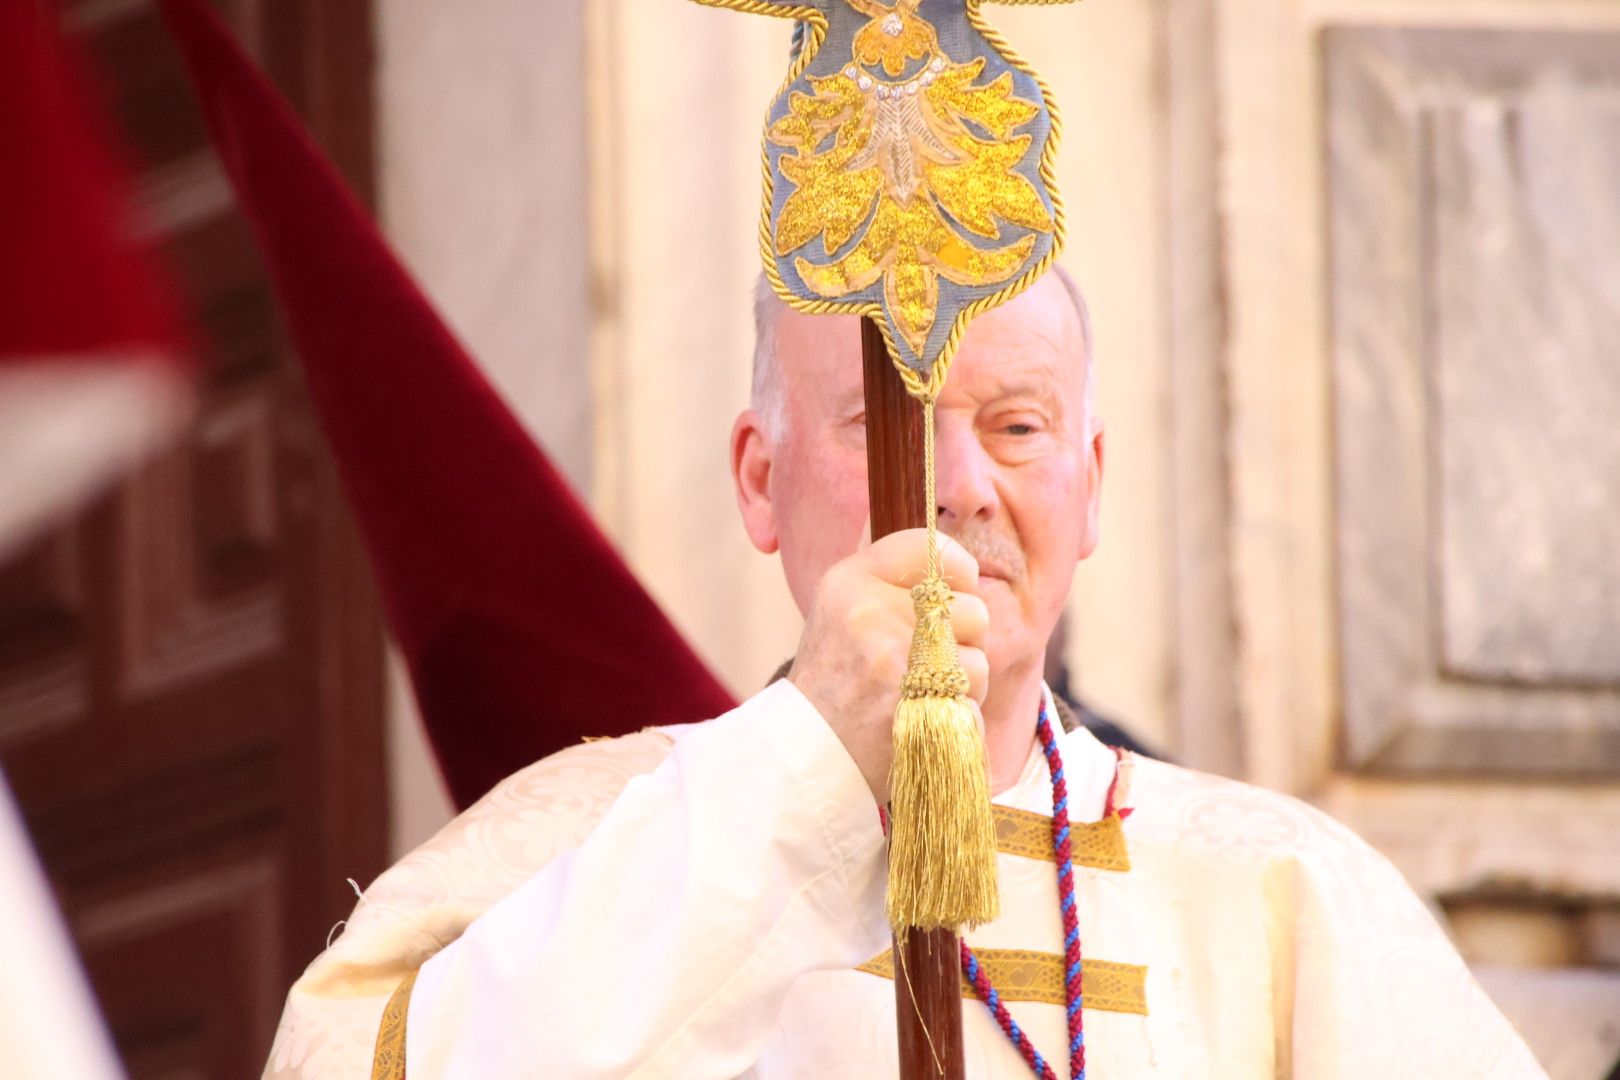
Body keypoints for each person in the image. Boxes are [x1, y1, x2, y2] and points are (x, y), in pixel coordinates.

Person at [263, 269, 1542, 1078]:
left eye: (1019, 427)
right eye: (888, 423)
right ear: (760, 481)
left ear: (1089, 486)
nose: (960, 488)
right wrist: (810, 762)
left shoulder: (1284, 895)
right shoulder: (573, 850)